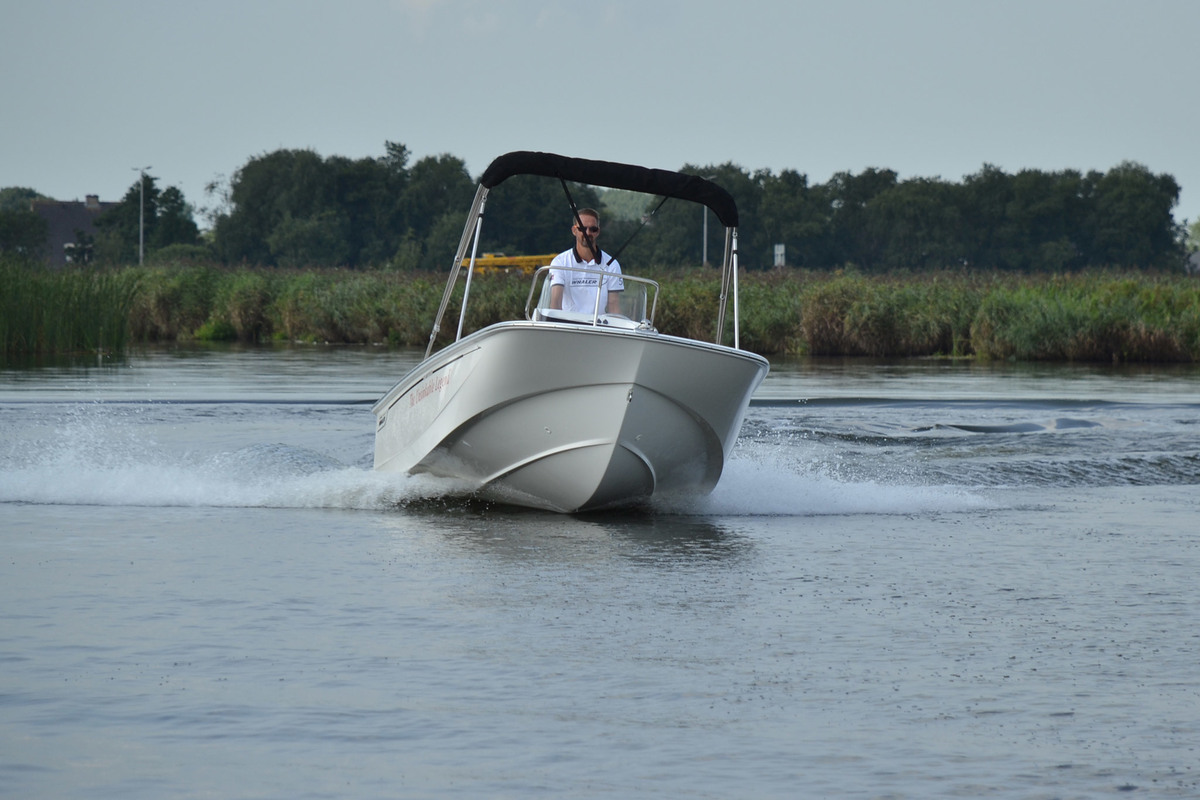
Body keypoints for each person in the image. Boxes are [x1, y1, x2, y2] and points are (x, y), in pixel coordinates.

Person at [548, 208, 623, 314]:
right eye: (582, 228)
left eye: (593, 229)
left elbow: (614, 306)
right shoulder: (560, 262)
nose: (588, 233)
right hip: (568, 326)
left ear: (598, 232)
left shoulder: (612, 265)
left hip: (598, 328)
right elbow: (555, 303)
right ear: (574, 231)